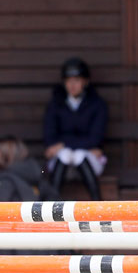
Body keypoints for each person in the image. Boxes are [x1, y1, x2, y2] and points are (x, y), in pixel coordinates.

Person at [43, 57, 108, 201]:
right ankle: (49, 207)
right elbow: (49, 138)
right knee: (65, 154)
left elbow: (95, 139)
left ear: (85, 81)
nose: (72, 85)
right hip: (62, 161)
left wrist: (63, 143)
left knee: (78, 154)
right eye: (68, 80)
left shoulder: (97, 104)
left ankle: (98, 206)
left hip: (90, 161)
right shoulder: (55, 104)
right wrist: (68, 145)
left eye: (77, 80)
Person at [0, 136, 58, 273]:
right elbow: (55, 201)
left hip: (7, 254)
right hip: (32, 250)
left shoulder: (5, 179)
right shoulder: (35, 175)